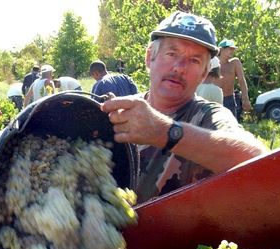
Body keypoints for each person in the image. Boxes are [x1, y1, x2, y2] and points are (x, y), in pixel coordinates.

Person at [101, 11, 268, 203]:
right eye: (171, 54)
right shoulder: (120, 110)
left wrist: (163, 132)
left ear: (205, 73)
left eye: (194, 60)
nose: (179, 67)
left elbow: (258, 160)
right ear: (149, 57)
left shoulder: (208, 116)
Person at [217, 39, 252, 119]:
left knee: (230, 126)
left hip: (229, 99)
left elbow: (241, 80)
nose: (232, 51)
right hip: (214, 99)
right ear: (222, 49)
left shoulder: (235, 63)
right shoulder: (213, 62)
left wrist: (245, 99)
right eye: (230, 49)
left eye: (233, 49)